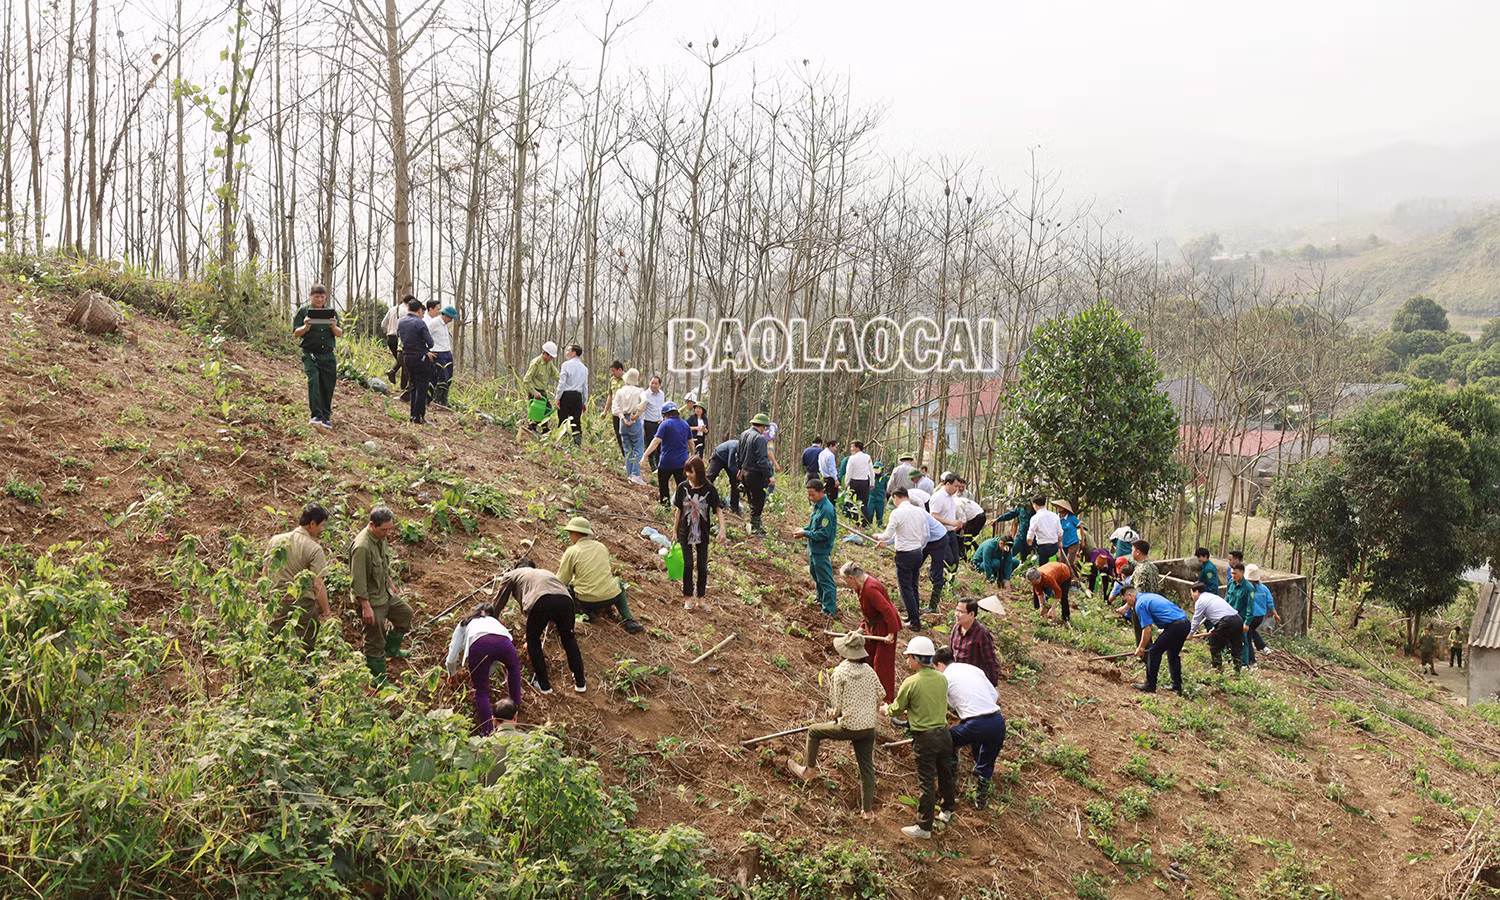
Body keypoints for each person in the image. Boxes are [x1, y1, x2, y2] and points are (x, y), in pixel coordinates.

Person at [786, 632, 883, 821]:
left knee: (814, 731)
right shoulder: (869, 671)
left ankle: (808, 771)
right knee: (866, 768)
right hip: (868, 728)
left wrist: (834, 716)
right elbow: (881, 693)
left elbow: (836, 706)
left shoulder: (840, 672)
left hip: (848, 727)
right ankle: (868, 812)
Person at [883, 635, 956, 840]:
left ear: (916, 658)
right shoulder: (941, 678)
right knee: (945, 773)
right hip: (944, 733)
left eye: (908, 657)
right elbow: (933, 702)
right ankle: (948, 810)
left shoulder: (911, 682)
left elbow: (897, 709)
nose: (907, 661)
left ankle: (924, 826)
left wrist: (885, 709)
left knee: (926, 781)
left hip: (925, 738)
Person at [495, 559, 588, 694]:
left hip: (541, 601)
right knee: (569, 639)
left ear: (517, 568)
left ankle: (544, 685)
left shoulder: (512, 574)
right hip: (566, 601)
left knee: (533, 640)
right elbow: (555, 600)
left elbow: (499, 601)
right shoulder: (545, 573)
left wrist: (492, 618)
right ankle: (580, 682)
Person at [933, 646, 1006, 811]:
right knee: (986, 763)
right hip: (997, 721)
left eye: (935, 668)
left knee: (947, 740)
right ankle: (981, 801)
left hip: (975, 724)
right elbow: (994, 696)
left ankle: (951, 782)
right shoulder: (973, 669)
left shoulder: (944, 678)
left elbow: (941, 706)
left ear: (939, 665)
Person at [351, 506, 413, 683]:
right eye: (384, 529)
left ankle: (391, 650)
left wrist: (390, 583)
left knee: (405, 614)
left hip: (384, 593)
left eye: (389, 529)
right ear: (372, 525)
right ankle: (377, 680)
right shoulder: (362, 547)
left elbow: (382, 565)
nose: (387, 533)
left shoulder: (380, 537)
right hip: (370, 600)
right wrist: (365, 606)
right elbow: (358, 580)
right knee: (375, 639)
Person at [263, 504, 333, 656]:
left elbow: (266, 572)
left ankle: (264, 677)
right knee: (305, 650)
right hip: (302, 605)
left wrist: (265, 600)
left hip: (276, 602)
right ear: (312, 523)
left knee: (272, 646)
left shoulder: (275, 540)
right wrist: (327, 613)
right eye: (321, 525)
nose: (322, 530)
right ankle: (302, 677)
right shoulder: (314, 548)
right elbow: (318, 584)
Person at [444, 603, 522, 735]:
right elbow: (497, 648)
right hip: (504, 643)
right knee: (513, 668)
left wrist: (452, 673)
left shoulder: (465, 623)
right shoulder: (495, 622)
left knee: (481, 691)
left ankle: (488, 732)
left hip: (479, 645)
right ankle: (514, 711)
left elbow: (452, 656)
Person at [558, 517, 645, 634]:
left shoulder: (572, 551)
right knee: (619, 584)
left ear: (574, 534)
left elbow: (562, 580)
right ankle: (628, 620)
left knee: (567, 590)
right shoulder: (601, 546)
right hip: (611, 597)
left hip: (585, 600)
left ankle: (586, 612)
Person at [841, 562, 901, 702]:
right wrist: (861, 628)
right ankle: (868, 690)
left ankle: (885, 699)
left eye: (846, 581)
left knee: (882, 663)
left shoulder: (870, 588)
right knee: (867, 655)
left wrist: (891, 632)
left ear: (851, 578)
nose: (847, 585)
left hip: (886, 627)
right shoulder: (859, 587)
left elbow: (888, 610)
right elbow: (869, 612)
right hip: (873, 627)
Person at [673, 456, 726, 611]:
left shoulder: (709, 489)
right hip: (685, 531)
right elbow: (678, 510)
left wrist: (722, 529)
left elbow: (718, 509)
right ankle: (688, 598)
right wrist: (674, 531)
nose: (688, 474)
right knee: (688, 564)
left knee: (702, 566)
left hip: (702, 533)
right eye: (687, 471)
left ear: (699, 472)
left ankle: (701, 599)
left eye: (691, 471)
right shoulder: (683, 487)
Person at [1117, 585, 1189, 694]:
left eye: (1126, 600)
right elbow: (1132, 600)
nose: (1127, 603)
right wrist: (1126, 606)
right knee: (1173, 654)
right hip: (1185, 624)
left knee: (1154, 651)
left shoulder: (1140, 605)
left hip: (1175, 626)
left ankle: (1150, 685)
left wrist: (1141, 648)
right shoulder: (1146, 596)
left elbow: (1147, 630)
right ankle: (1176, 686)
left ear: (1130, 595)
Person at [875, 488, 928, 631]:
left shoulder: (897, 513)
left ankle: (915, 621)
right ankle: (913, 615)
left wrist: (878, 536)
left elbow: (887, 534)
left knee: (906, 588)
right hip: (917, 552)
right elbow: (923, 534)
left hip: (905, 554)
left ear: (896, 497)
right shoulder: (919, 511)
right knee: (914, 585)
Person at [292, 283, 342, 428]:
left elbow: (339, 333)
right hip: (310, 354)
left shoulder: (331, 312)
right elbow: (296, 333)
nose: (319, 299)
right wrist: (305, 327)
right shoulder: (303, 311)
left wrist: (333, 326)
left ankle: (326, 417)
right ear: (310, 296)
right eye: (316, 296)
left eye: (322, 296)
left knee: (327, 385)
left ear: (325, 297)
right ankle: (316, 415)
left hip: (328, 355)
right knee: (314, 381)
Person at [796, 478, 839, 616]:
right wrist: (804, 530)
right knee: (815, 574)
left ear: (822, 492)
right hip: (813, 548)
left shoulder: (826, 509)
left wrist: (806, 533)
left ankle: (829, 610)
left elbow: (824, 533)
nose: (810, 498)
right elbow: (814, 526)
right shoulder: (818, 506)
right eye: (808, 495)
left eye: (812, 495)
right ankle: (820, 598)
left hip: (821, 550)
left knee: (826, 580)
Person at [1189, 582, 1245, 675]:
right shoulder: (1212, 597)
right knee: (1236, 646)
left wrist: (1190, 634)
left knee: (1215, 645)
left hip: (1226, 621)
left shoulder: (1200, 601)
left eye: (1192, 594)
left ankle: (1218, 671)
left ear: (1196, 592)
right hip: (1237, 619)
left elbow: (1196, 619)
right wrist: (1215, 628)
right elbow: (1219, 612)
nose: (1192, 597)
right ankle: (1237, 672)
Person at [643, 401, 692, 506]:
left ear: (665, 414)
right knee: (682, 487)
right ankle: (682, 508)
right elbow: (691, 443)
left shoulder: (664, 424)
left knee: (663, 485)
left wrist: (645, 455)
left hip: (666, 462)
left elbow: (656, 441)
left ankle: (665, 507)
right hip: (682, 462)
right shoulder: (685, 424)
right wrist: (692, 456)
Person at [397, 298, 436, 424]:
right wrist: (425, 350)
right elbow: (430, 342)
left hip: (407, 357)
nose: (423, 315)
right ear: (419, 310)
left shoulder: (401, 322)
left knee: (413, 386)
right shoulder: (420, 323)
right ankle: (419, 416)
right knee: (422, 387)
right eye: (422, 312)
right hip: (421, 358)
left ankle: (412, 415)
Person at [737, 413, 777, 535]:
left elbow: (738, 454)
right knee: (758, 500)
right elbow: (763, 460)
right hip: (755, 474)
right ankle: (755, 527)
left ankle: (753, 524)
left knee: (751, 499)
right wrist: (770, 475)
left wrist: (740, 469)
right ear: (763, 426)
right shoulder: (759, 438)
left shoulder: (744, 434)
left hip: (745, 472)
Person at [949, 597, 1000, 685]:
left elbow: (991, 662)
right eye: (956, 610)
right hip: (956, 679)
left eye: (961, 612)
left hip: (974, 682)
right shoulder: (956, 628)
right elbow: (951, 653)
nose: (956, 614)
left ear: (972, 614)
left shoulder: (982, 634)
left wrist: (993, 687)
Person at [611, 368, 648, 484]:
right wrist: (637, 414)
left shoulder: (620, 391)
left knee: (627, 449)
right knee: (638, 448)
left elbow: (614, 408)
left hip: (623, 422)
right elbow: (645, 401)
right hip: (633, 420)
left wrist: (622, 417)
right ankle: (636, 475)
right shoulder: (639, 391)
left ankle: (629, 473)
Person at [928, 474, 964, 573]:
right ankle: (933, 572)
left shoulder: (951, 497)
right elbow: (933, 516)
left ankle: (949, 584)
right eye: (955, 486)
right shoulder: (938, 497)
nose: (957, 489)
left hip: (951, 532)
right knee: (947, 559)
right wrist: (951, 523)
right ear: (948, 484)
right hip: (941, 533)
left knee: (955, 561)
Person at [426, 305, 460, 408]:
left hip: (447, 352)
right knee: (441, 378)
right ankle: (435, 401)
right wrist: (427, 352)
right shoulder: (434, 323)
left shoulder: (444, 324)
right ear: (444, 315)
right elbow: (425, 336)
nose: (450, 320)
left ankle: (443, 400)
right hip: (437, 353)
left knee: (448, 378)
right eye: (450, 318)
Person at [921, 504, 952, 614]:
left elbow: (925, 535)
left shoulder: (921, 515)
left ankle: (933, 606)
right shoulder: (906, 514)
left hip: (938, 539)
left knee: (937, 572)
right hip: (926, 540)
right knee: (913, 566)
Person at [555, 345, 588, 446]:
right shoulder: (584, 368)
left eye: (568, 351)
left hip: (566, 395)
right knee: (576, 421)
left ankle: (562, 443)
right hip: (577, 397)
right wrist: (584, 401)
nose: (566, 353)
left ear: (574, 353)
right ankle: (577, 445)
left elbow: (562, 383)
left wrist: (557, 397)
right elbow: (585, 387)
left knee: (563, 419)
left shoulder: (566, 365)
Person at [522, 341, 559, 431]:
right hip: (534, 390)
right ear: (546, 354)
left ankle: (542, 426)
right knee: (537, 410)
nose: (552, 359)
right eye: (551, 357)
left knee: (547, 409)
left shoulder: (549, 363)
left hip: (542, 390)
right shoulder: (536, 363)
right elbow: (526, 380)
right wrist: (534, 393)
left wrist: (564, 382)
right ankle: (534, 426)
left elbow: (555, 374)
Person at [1224, 562, 1256, 667]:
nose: (1233, 576)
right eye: (1232, 573)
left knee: (1243, 641)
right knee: (1227, 639)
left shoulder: (1248, 588)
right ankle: (1229, 660)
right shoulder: (1231, 583)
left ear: (1242, 573)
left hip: (1241, 618)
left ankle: (1244, 663)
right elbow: (1227, 599)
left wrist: (1247, 622)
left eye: (1235, 573)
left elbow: (1250, 607)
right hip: (1229, 617)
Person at [1246, 564, 1281, 657]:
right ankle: (1264, 647)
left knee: (1247, 637)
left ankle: (1252, 661)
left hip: (1249, 616)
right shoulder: (1264, 588)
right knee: (1252, 630)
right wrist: (1275, 614)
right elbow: (1270, 602)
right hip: (1260, 617)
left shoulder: (1246, 588)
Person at [707, 437, 742, 515]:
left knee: (735, 482)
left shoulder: (745, 450)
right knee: (710, 478)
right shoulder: (734, 446)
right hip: (719, 456)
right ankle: (705, 500)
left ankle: (734, 507)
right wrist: (739, 474)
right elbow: (731, 465)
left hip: (730, 461)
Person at [379, 296, 408, 389]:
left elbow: (383, 324)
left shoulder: (392, 309)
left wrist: (389, 331)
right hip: (399, 338)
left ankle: (392, 372)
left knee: (401, 361)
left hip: (390, 338)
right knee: (404, 362)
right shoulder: (407, 311)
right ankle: (403, 386)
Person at [1025, 494, 1061, 565]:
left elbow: (1030, 535)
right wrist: (1059, 543)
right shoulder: (1054, 516)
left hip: (1044, 548)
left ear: (1035, 505)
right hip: (1054, 547)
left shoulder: (1035, 518)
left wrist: (1029, 542)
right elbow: (1060, 533)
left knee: (1043, 567)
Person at [845, 442, 874, 526]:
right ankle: (864, 523)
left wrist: (846, 484)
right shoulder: (867, 457)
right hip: (864, 483)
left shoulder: (852, 458)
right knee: (863, 503)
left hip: (854, 482)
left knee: (853, 502)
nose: (851, 449)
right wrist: (872, 482)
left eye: (852, 447)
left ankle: (854, 521)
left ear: (857, 448)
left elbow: (848, 472)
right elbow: (871, 471)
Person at [601, 361, 626, 454]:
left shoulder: (627, 379)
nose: (612, 373)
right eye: (612, 371)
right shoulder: (612, 380)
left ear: (620, 370)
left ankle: (630, 455)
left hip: (625, 412)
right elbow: (610, 396)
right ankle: (624, 454)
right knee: (618, 434)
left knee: (626, 434)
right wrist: (605, 411)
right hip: (615, 411)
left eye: (614, 371)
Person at [956, 485, 987, 560]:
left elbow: (963, 522)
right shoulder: (956, 500)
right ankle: (978, 552)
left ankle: (968, 557)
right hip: (975, 516)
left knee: (967, 538)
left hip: (977, 517)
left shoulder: (956, 505)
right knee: (968, 537)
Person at [643, 374, 665, 468]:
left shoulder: (662, 394)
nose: (654, 385)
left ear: (659, 385)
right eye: (652, 383)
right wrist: (642, 426)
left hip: (660, 422)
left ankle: (659, 464)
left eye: (656, 383)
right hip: (649, 423)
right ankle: (652, 466)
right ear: (649, 383)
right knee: (650, 443)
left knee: (660, 444)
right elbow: (642, 410)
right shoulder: (645, 394)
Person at [1056, 500, 1081, 571]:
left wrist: (1082, 541)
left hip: (1073, 542)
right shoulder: (1058, 519)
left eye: (1060, 507)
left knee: (1069, 562)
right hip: (1063, 543)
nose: (1058, 508)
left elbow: (1080, 527)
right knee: (1062, 562)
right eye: (1058, 507)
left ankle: (1073, 578)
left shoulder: (1072, 518)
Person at [816, 439, 841, 508]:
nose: (835, 449)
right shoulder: (830, 455)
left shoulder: (821, 454)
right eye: (835, 447)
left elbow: (820, 467)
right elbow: (832, 468)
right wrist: (836, 479)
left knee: (825, 496)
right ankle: (830, 512)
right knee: (832, 498)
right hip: (831, 479)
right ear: (830, 446)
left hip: (824, 478)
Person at [866, 461, 889, 528]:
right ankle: (869, 526)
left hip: (880, 499)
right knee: (869, 514)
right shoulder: (870, 477)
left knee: (879, 515)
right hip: (871, 498)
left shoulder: (884, 478)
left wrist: (885, 498)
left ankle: (879, 527)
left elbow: (886, 488)